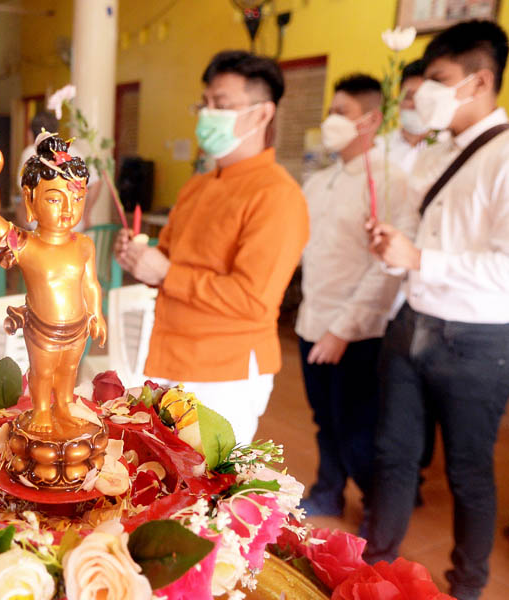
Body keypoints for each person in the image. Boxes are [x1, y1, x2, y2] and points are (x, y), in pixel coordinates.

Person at [365, 20, 509, 600]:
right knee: (393, 456)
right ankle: (372, 570)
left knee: (468, 471)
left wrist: (420, 258)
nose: (426, 92)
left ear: (479, 82)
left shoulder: (505, 156)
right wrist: (394, 250)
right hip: (412, 321)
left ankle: (467, 586)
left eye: (439, 79)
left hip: (476, 339)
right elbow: (418, 239)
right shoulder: (439, 151)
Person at [115, 50, 309, 444]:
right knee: (159, 469)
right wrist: (141, 258)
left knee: (206, 477)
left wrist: (166, 272)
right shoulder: (199, 185)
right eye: (204, 104)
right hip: (170, 352)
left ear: (262, 114)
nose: (207, 114)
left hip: (225, 369)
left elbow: (252, 299)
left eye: (221, 104)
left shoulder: (277, 195)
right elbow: (170, 262)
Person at [296, 74, 410, 522]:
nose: (331, 121)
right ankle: (328, 491)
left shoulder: (390, 182)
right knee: (324, 419)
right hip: (312, 319)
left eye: (342, 112)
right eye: (330, 111)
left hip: (357, 330)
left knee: (357, 425)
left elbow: (387, 269)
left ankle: (379, 508)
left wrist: (343, 330)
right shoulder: (319, 181)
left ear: (371, 120)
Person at [0, 131, 106, 434]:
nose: (68, 209)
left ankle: (63, 405)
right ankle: (43, 410)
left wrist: (97, 314)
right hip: (42, 329)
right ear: (30, 200)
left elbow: (91, 284)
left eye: (77, 198)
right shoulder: (25, 245)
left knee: (69, 369)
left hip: (77, 328)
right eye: (55, 199)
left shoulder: (84, 244)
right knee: (43, 372)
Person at [15, 110, 100, 232]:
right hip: (74, 226)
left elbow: (25, 192)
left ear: (30, 133)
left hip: (42, 228)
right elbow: (96, 182)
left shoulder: (30, 153)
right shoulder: (74, 152)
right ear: (56, 131)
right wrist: (86, 214)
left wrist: (24, 219)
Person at [387, 60, 433, 174]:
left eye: (423, 98)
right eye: (408, 97)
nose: (415, 104)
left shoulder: (448, 147)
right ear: (398, 100)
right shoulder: (381, 147)